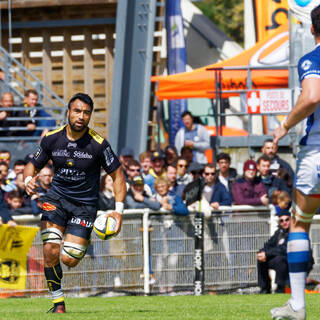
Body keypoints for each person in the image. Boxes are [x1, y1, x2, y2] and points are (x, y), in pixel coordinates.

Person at [23, 93, 126, 313]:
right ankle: (58, 303)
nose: (81, 116)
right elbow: (32, 164)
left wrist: (118, 211)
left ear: (90, 115)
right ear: (68, 112)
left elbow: (118, 176)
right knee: (50, 248)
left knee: (69, 259)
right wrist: (26, 180)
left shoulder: (98, 144)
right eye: (77, 111)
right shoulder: (52, 138)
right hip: (56, 200)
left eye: (86, 112)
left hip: (85, 206)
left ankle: (79, 238)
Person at [270, 5, 320, 319]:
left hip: (316, 152)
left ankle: (298, 306)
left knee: (300, 222)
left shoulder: (312, 58)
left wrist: (284, 125)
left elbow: (313, 96)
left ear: (312, 30)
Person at [257, 210, 291, 294]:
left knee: (280, 259)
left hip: (291, 260)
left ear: (291, 220)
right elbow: (269, 244)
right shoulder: (278, 232)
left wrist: (267, 253)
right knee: (262, 260)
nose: (284, 222)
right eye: (282, 221)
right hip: (279, 258)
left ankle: (280, 287)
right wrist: (262, 252)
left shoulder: (293, 232)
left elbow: (284, 249)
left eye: (287, 220)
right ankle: (265, 288)